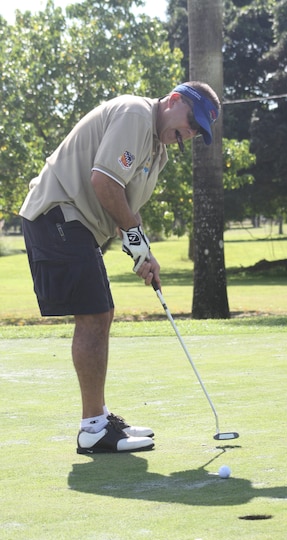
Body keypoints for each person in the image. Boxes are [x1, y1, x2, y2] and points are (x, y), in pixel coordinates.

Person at [19, 82, 220, 454]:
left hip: (75, 222)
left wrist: (143, 251)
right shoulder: (135, 114)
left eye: (197, 132)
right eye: (191, 121)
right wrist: (134, 235)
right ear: (174, 100)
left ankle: (98, 419)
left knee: (100, 313)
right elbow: (104, 182)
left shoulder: (156, 151)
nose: (189, 133)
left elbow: (125, 208)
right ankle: (93, 429)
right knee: (96, 315)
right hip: (57, 213)